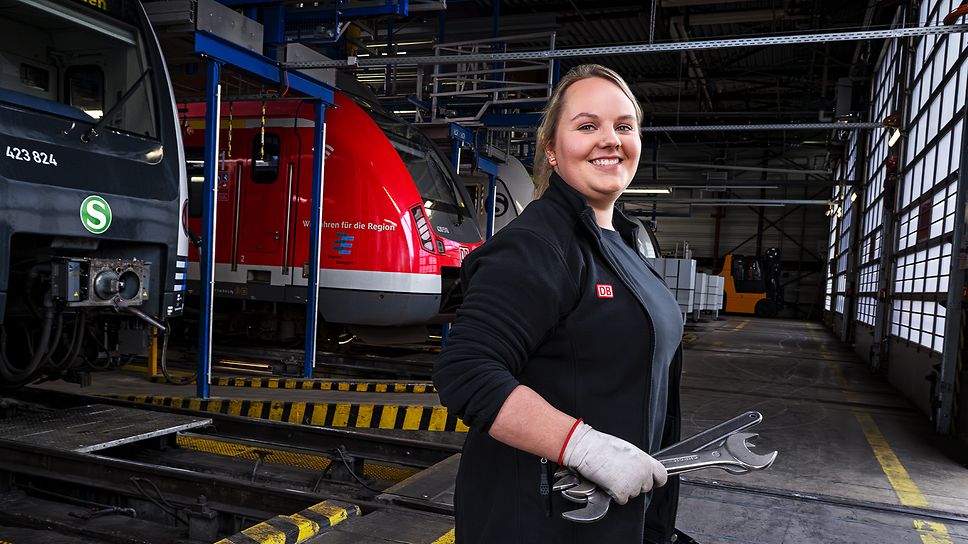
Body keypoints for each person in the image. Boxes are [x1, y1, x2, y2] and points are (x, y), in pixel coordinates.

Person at [433, 64, 685, 543]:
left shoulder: (623, 242)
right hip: (538, 522)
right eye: (587, 126)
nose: (610, 140)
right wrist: (585, 448)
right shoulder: (536, 246)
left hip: (614, 517)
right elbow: (466, 372)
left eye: (624, 126)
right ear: (551, 149)